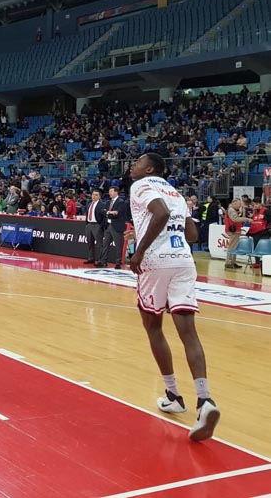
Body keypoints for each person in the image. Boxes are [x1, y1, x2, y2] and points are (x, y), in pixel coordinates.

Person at [127, 152, 220, 441]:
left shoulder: (142, 186)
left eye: (138, 162)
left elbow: (161, 213)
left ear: (149, 168)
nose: (133, 165)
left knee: (152, 325)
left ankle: (173, 395)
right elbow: (192, 234)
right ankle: (204, 400)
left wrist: (139, 251)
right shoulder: (176, 192)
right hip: (183, 259)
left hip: (157, 260)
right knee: (188, 332)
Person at [101, 186, 130, 269]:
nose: (109, 193)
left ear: (116, 192)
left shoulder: (121, 202)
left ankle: (118, 262)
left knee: (118, 245)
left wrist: (108, 213)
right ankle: (104, 261)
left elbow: (118, 213)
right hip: (108, 225)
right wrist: (110, 212)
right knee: (105, 245)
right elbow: (103, 212)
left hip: (116, 226)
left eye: (111, 191)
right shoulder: (108, 202)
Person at [223, 196, 252, 269]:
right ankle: (229, 262)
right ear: (234, 203)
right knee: (232, 247)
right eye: (239, 204)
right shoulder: (231, 210)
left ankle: (233, 262)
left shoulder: (233, 210)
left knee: (234, 247)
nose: (240, 205)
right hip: (233, 231)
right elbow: (235, 219)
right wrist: (247, 219)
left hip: (235, 230)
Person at [84, 189, 107, 267]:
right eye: (93, 194)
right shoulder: (89, 203)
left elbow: (104, 217)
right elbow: (87, 214)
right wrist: (87, 224)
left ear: (99, 196)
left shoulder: (102, 204)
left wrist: (101, 226)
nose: (94, 196)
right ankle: (91, 258)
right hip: (89, 225)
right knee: (90, 243)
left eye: (96, 195)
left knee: (99, 244)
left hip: (97, 225)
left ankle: (100, 260)